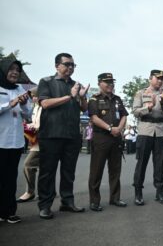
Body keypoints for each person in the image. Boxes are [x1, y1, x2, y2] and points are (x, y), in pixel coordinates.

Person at [37, 53, 89, 219]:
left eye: (73, 65)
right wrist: (70, 96)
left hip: (72, 135)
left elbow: (83, 109)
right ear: (56, 65)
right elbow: (45, 103)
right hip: (51, 134)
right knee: (48, 172)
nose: (70, 68)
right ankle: (45, 205)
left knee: (68, 171)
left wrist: (81, 97)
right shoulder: (46, 82)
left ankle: (67, 201)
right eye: (67, 64)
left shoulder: (76, 84)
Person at [87, 73, 128, 212]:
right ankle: (94, 201)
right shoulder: (94, 99)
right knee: (96, 170)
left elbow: (124, 115)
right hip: (101, 137)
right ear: (99, 83)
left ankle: (115, 198)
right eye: (107, 82)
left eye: (112, 82)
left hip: (116, 137)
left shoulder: (117, 99)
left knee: (115, 169)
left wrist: (119, 129)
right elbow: (94, 117)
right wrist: (110, 129)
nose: (110, 84)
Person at [132, 69, 163, 205]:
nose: (160, 81)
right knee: (141, 163)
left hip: (160, 132)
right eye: (158, 78)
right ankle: (138, 193)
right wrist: (147, 108)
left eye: (162, 79)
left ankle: (160, 192)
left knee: (159, 163)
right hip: (145, 131)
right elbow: (135, 111)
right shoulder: (141, 93)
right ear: (150, 79)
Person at [0, 58, 31, 224]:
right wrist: (9, 104)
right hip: (0, 141)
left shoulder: (20, 89)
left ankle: (9, 212)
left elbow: (28, 115)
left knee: (11, 178)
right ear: (3, 70)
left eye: (17, 70)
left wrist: (25, 105)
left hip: (16, 141)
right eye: (11, 69)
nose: (14, 72)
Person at [17, 87, 42, 204]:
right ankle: (46, 192)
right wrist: (29, 125)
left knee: (28, 165)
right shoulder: (35, 107)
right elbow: (35, 122)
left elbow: (43, 124)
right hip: (35, 140)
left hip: (42, 141)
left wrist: (30, 127)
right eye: (32, 96)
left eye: (35, 95)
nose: (33, 98)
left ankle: (30, 192)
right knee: (45, 168)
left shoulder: (44, 107)